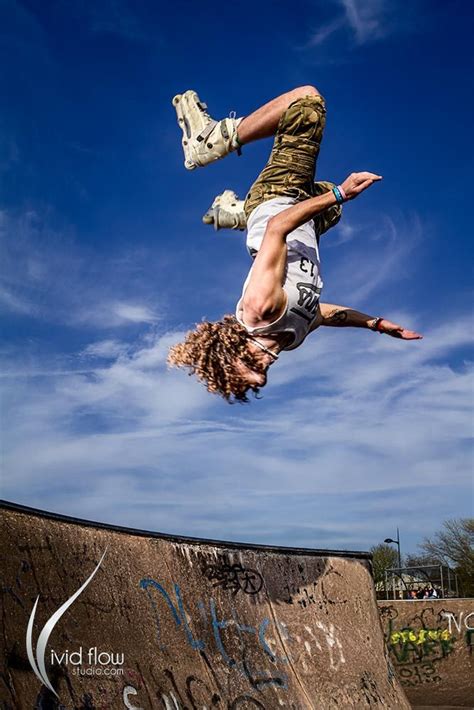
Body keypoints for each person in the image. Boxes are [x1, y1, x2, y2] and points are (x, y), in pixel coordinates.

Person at [168, 86, 422, 402]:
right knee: (333, 210)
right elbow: (325, 314)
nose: (247, 387)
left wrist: (341, 193)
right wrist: (376, 324)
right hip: (307, 219)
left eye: (234, 381)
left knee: (307, 104)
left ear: (229, 358)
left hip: (277, 198)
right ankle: (240, 213)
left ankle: (209, 140)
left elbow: (276, 228)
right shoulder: (292, 338)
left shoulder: (260, 309)